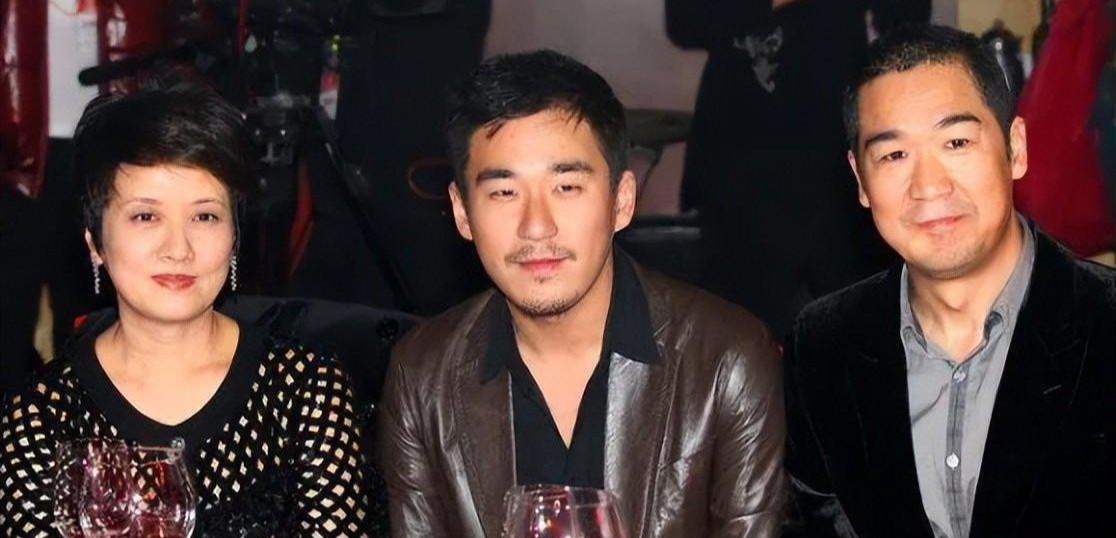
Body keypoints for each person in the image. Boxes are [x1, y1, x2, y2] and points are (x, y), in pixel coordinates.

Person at [378, 50, 785, 538]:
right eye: (504, 192)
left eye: (567, 187)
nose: (536, 226)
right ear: (463, 212)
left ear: (622, 201)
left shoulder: (725, 358)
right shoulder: (423, 375)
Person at [0, 82, 380, 537]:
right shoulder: (42, 416)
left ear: (234, 238)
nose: (178, 249)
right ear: (95, 242)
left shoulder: (304, 390)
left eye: (205, 216)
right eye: (146, 216)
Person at [784, 25, 1116, 538]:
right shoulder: (822, 345)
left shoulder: (1104, 321)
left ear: (1015, 148)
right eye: (893, 155)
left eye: (956, 142)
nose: (929, 185)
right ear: (860, 180)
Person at [666, 0, 930, 336]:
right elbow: (684, 23)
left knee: (856, 321)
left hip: (835, 158)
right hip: (738, 155)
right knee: (739, 326)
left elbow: (907, 16)